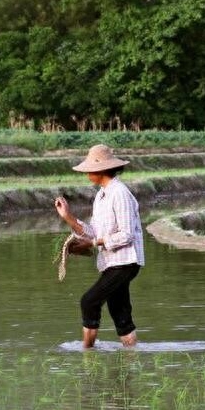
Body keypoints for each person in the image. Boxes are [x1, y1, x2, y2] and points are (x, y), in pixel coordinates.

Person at [54, 144, 145, 349]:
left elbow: (126, 234)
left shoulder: (119, 193)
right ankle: (131, 353)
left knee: (89, 301)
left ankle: (87, 351)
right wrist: (68, 217)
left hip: (125, 261)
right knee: (119, 311)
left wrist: (93, 243)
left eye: (89, 169)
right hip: (112, 261)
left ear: (101, 169)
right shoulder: (101, 195)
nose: (87, 173)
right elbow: (94, 231)